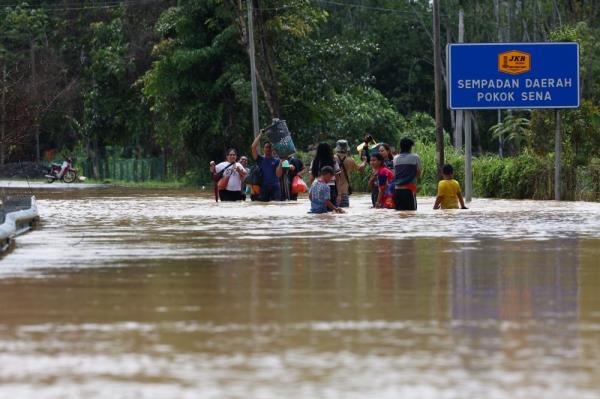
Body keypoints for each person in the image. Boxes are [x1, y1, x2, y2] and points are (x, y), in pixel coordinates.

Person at [252, 130, 283, 202]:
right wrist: (260, 135)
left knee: (276, 206)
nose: (268, 149)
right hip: (264, 187)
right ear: (264, 149)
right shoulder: (260, 159)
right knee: (263, 207)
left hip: (275, 187)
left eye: (269, 147)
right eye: (266, 147)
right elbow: (253, 147)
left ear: (272, 149)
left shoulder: (277, 160)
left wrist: (281, 161)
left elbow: (278, 175)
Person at [334, 139, 366, 208]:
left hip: (333, 192)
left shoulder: (332, 158)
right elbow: (360, 169)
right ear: (347, 149)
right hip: (344, 192)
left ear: (337, 148)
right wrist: (364, 161)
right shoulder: (350, 160)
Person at [393, 137, 421, 211]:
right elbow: (418, 173)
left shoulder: (395, 158)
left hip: (397, 190)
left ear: (401, 146)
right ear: (410, 147)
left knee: (399, 213)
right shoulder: (415, 157)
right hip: (409, 189)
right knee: (411, 213)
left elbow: (395, 173)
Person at [310, 142, 340, 207]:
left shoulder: (314, 162)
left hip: (318, 187)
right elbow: (337, 179)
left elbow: (312, 178)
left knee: (320, 209)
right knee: (332, 209)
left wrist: (312, 190)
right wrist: (339, 193)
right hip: (331, 187)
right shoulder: (333, 161)